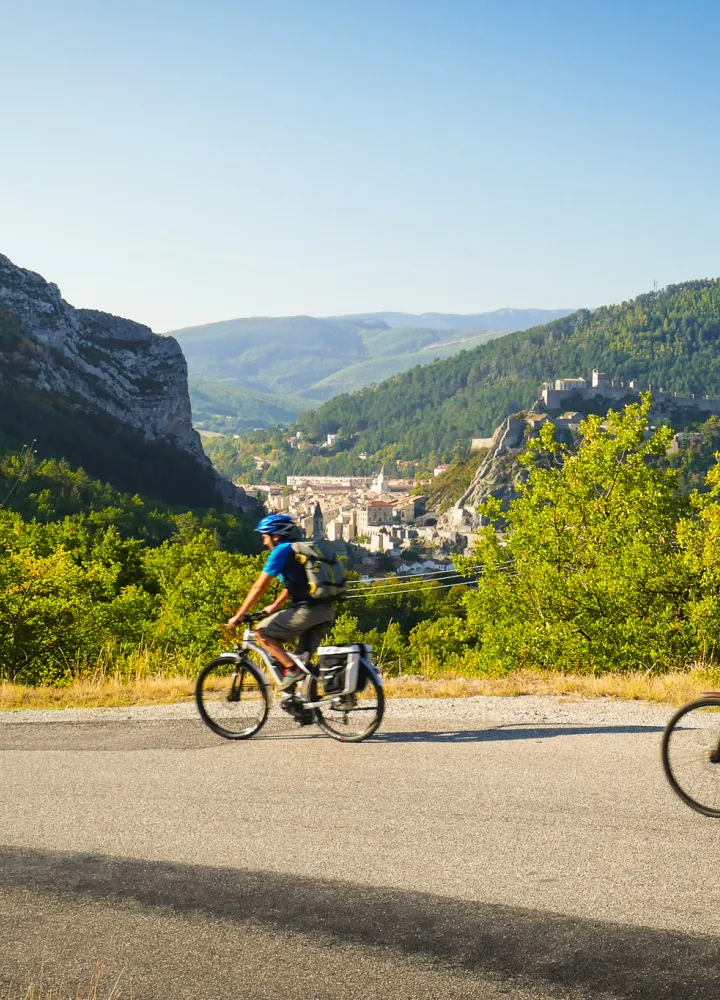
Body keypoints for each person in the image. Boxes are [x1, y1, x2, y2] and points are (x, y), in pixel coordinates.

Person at [225, 514, 335, 690]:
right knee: (303, 663)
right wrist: (274, 607)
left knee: (261, 632)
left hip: (307, 611)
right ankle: (309, 709)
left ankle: (291, 670)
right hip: (326, 611)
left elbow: (258, 588)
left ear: (275, 536)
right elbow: (293, 585)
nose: (264, 542)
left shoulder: (279, 551)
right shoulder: (296, 550)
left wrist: (238, 615)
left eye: (265, 537)